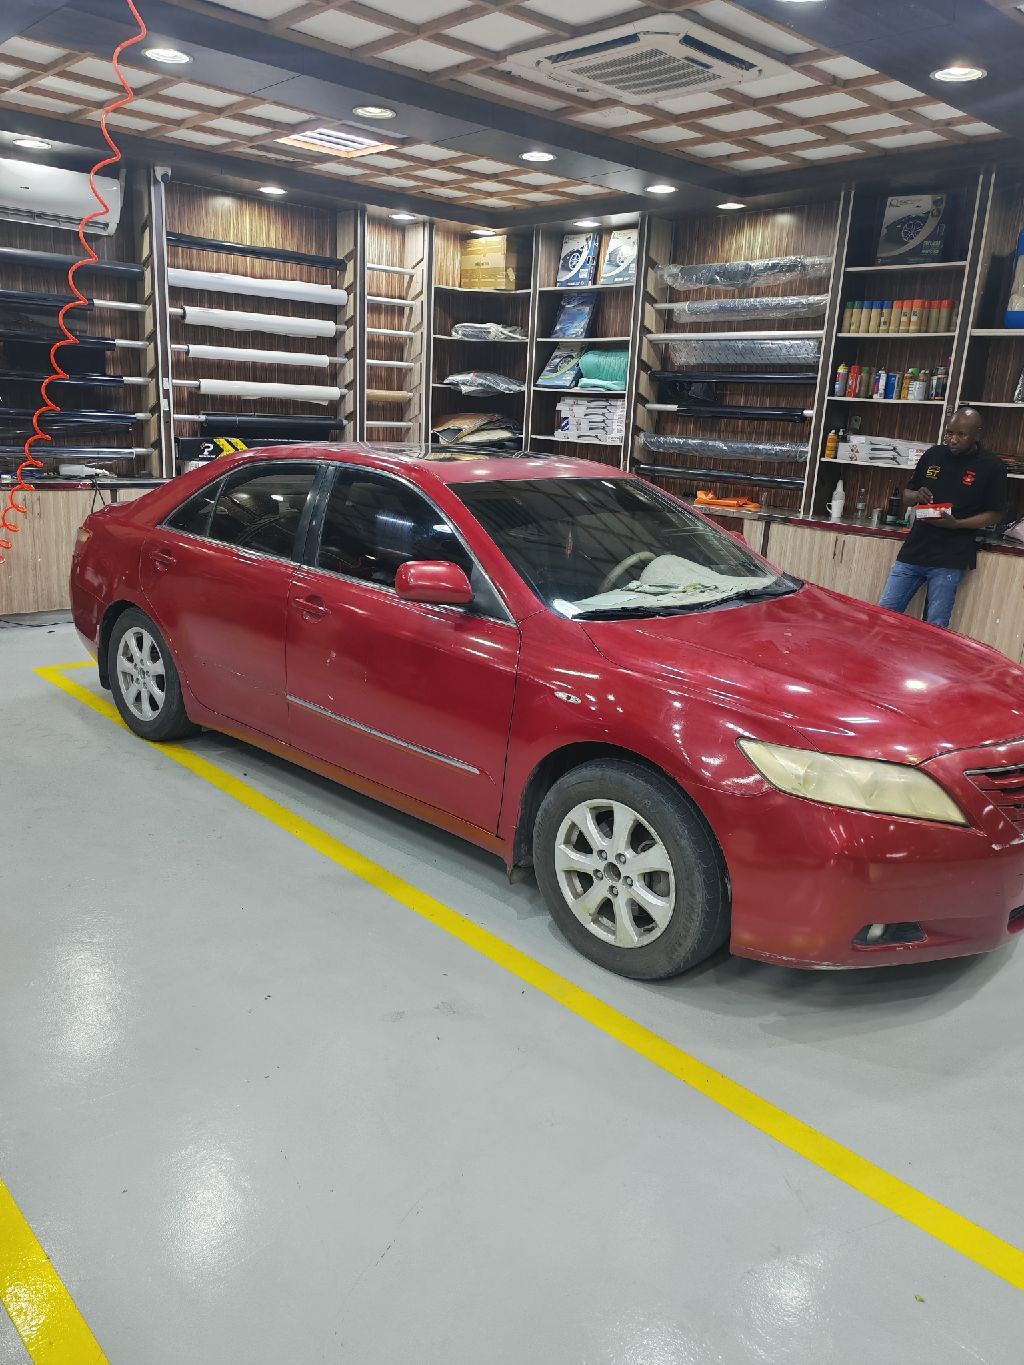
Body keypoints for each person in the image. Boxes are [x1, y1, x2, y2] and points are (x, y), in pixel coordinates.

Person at [878, 408, 1007, 628]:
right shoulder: (933, 454)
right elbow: (907, 496)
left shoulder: (991, 466)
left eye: (961, 434)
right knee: (884, 614)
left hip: (950, 557)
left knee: (936, 626)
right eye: (949, 433)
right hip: (914, 551)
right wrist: (917, 495)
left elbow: (995, 514)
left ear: (977, 434)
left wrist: (957, 524)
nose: (953, 439)